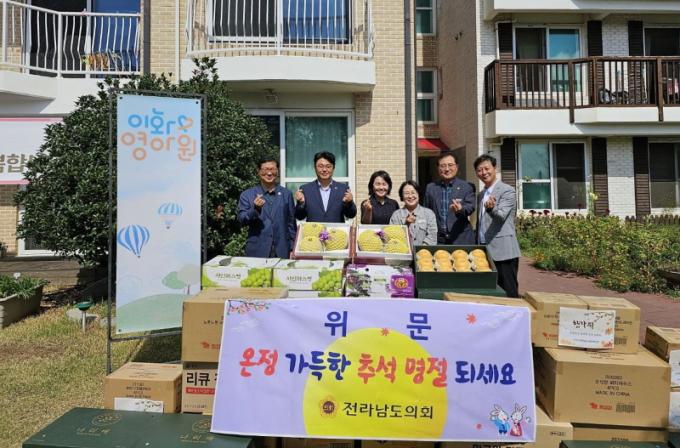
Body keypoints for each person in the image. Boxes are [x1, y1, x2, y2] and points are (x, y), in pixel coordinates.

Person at [474, 154, 521, 298]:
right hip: (484, 250)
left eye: (487, 168)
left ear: (495, 168)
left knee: (508, 291)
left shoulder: (507, 190)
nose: (484, 172)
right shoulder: (481, 195)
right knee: (490, 292)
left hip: (503, 251)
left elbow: (501, 216)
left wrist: (491, 209)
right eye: (480, 170)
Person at [237, 157, 296, 258]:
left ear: (277, 171)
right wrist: (255, 209)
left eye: (272, 169)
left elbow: (291, 223)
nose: (269, 173)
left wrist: (292, 248)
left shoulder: (287, 194)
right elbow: (242, 219)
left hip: (282, 250)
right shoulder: (247, 194)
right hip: (257, 250)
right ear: (259, 171)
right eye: (265, 169)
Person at [423, 152, 476, 244]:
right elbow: (426, 211)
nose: (447, 169)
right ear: (438, 168)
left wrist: (461, 209)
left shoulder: (467, 186)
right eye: (443, 166)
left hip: (461, 238)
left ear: (457, 167)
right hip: (438, 240)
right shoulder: (431, 188)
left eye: (450, 165)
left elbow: (470, 207)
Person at [294, 151, 357, 223]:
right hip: (313, 230)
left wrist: (349, 203)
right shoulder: (306, 189)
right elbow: (299, 216)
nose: (324, 170)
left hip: (336, 230)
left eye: (328, 166)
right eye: (320, 166)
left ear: (333, 168)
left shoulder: (343, 189)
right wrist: (301, 203)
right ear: (315, 167)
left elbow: (351, 215)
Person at [390, 181, 438, 246]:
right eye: (406, 193)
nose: (410, 196)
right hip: (403, 251)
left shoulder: (429, 214)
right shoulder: (396, 215)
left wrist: (420, 249)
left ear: (418, 194)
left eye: (413, 193)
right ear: (402, 196)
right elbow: (393, 237)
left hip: (423, 251)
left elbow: (432, 236)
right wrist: (406, 224)